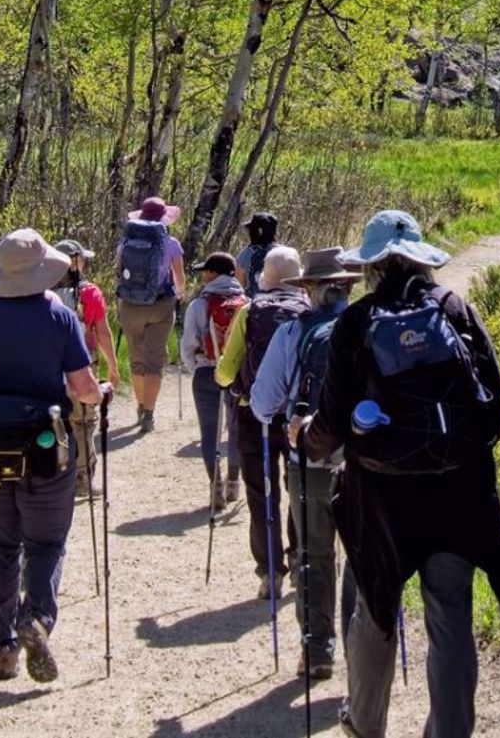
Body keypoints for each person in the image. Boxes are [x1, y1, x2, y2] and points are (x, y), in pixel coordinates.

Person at [291, 211, 500, 737]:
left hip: (382, 501)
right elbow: (495, 409)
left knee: (376, 615)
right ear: (422, 259)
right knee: (451, 617)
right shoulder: (454, 309)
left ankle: (364, 724)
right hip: (459, 495)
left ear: (373, 264)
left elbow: (332, 424)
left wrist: (304, 437)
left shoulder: (355, 324)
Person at [0, 229, 112, 683]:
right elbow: (82, 389)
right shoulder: (58, 316)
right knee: (46, 543)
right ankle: (36, 618)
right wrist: (102, 393)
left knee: (1, 546)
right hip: (44, 447)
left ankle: (3, 650)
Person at [250, 247, 360, 681]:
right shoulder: (370, 327)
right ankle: (362, 647)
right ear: (348, 287)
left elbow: (262, 404)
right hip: (364, 463)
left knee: (313, 555)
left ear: (310, 290)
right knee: (360, 554)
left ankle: (317, 651)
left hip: (309, 458)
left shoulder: (293, 333)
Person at [214, 245, 308, 600]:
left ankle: (270, 572)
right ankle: (300, 559)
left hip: (253, 413)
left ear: (264, 277)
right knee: (298, 487)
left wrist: (225, 381)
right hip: (300, 416)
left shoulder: (250, 311)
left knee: (261, 493)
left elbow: (227, 369)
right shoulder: (309, 311)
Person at [52, 239, 121, 496]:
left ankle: (55, 477)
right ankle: (82, 479)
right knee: (83, 422)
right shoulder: (88, 293)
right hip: (82, 365)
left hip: (49, 367)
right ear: (76, 262)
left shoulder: (39, 290)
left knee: (55, 422)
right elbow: (102, 332)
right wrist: (113, 367)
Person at [180, 251, 247, 510]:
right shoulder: (246, 303)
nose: (204, 276)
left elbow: (189, 345)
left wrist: (195, 367)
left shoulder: (200, 304)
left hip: (207, 371)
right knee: (236, 429)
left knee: (210, 432)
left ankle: (215, 487)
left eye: (206, 272)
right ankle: (233, 483)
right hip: (238, 374)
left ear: (213, 274)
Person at [115, 197, 188, 433]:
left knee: (137, 359)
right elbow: (179, 278)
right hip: (161, 305)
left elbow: (119, 273)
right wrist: (180, 294)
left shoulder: (125, 242)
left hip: (129, 305)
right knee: (154, 361)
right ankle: (149, 414)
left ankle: (139, 405)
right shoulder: (171, 242)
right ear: (163, 218)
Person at [235, 212, 280, 297]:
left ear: (259, 231)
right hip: (280, 305)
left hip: (255, 305)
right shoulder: (284, 253)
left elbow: (238, 287)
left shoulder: (246, 253)